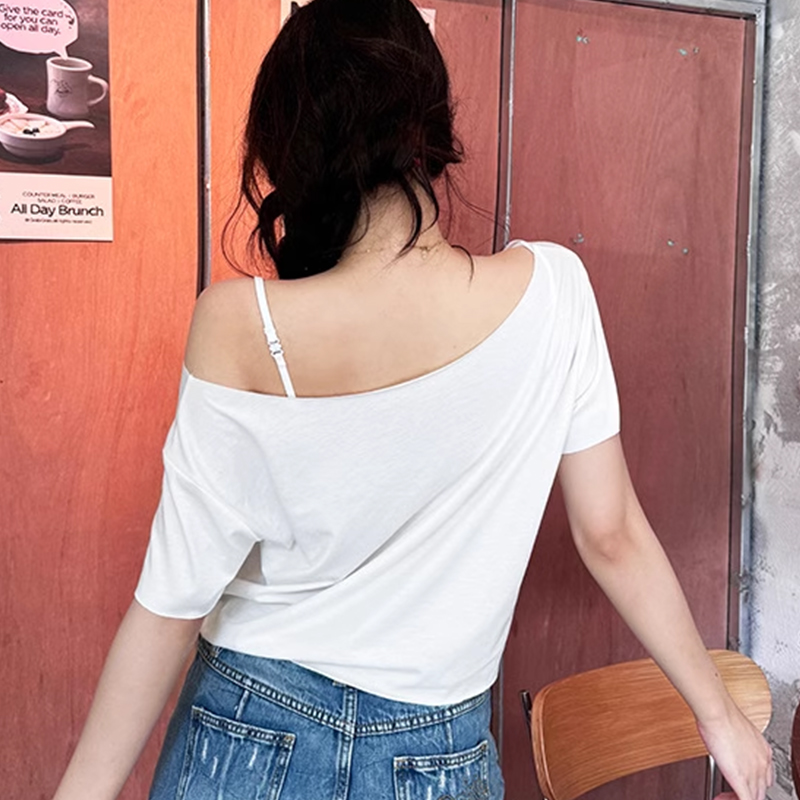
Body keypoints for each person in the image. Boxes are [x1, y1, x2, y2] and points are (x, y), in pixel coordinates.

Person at [52, 1, 773, 799]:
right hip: (439, 754)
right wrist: (718, 717)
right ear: (433, 125)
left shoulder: (240, 323)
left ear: (290, 146)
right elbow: (611, 534)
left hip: (247, 729)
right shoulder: (556, 295)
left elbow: (172, 603)